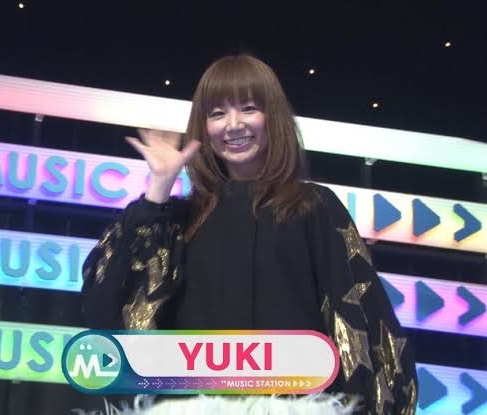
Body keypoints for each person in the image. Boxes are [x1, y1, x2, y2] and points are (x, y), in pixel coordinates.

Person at [79, 54, 418, 414]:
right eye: (217, 113)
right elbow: (108, 299)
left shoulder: (313, 207)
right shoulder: (177, 219)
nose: (233, 125)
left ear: (273, 117)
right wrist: (158, 187)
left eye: (248, 108)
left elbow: (364, 321)